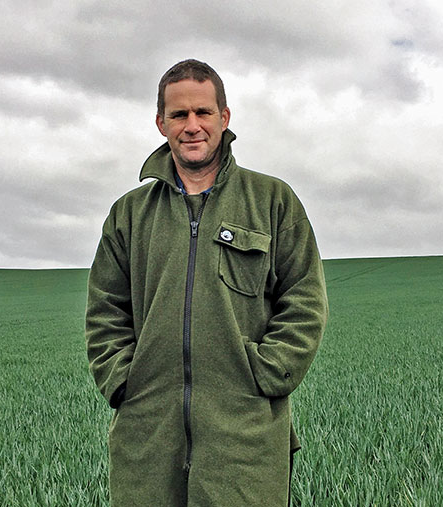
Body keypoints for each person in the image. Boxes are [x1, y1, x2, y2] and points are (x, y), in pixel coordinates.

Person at [85, 59, 328, 506]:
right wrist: (124, 382)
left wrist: (265, 373)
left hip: (245, 441)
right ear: (161, 123)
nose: (192, 125)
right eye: (179, 115)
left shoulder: (272, 201)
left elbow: (305, 301)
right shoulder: (130, 215)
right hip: (147, 441)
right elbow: (105, 310)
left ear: (225, 117)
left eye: (203, 112)